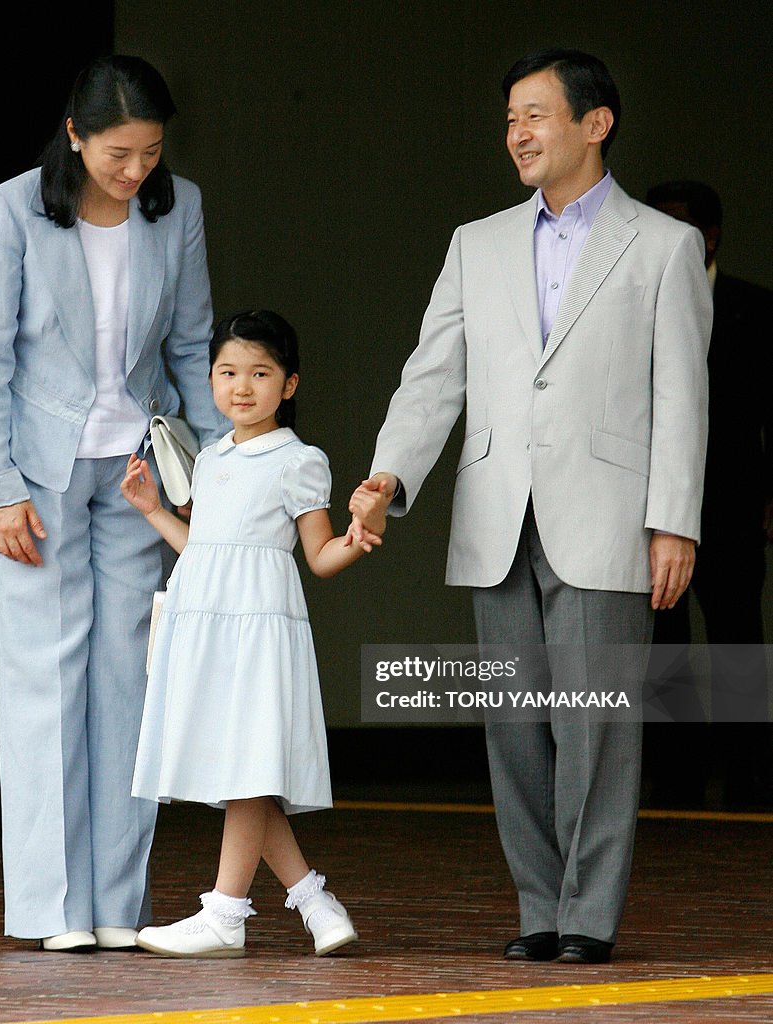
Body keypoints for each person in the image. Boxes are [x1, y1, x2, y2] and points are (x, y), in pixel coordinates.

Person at [349, 48, 711, 963]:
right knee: (515, 726)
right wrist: (389, 475)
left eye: (536, 114)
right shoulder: (476, 242)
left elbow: (681, 395)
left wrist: (674, 519)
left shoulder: (661, 245)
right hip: (495, 513)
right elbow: (432, 374)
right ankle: (539, 907)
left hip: (608, 514)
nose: (517, 133)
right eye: (510, 118)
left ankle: (588, 916)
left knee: (596, 726)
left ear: (596, 123)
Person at [0, 55, 228, 952]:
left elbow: (192, 346)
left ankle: (117, 906)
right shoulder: (10, 210)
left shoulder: (177, 206)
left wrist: (225, 468)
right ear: (73, 136)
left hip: (135, 473)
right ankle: (51, 908)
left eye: (150, 152)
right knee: (43, 684)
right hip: (36, 478)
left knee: (127, 682)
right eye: (119, 152)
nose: (136, 170)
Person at [120, 309, 382, 959]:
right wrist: (154, 511)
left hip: (257, 627)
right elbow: (203, 548)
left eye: (260, 373)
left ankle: (225, 914)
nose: (242, 386)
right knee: (241, 769)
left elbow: (318, 558)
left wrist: (361, 536)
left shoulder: (300, 460)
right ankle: (315, 904)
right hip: (203, 621)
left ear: (287, 385)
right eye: (227, 371)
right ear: (210, 378)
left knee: (246, 771)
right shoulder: (207, 459)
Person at [644, 180, 772, 809]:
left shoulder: (755, 308)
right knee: (662, 645)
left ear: (711, 237)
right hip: (657, 502)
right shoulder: (633, 302)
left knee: (737, 641)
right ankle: (676, 779)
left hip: (733, 498)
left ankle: (747, 776)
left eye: (678, 224)